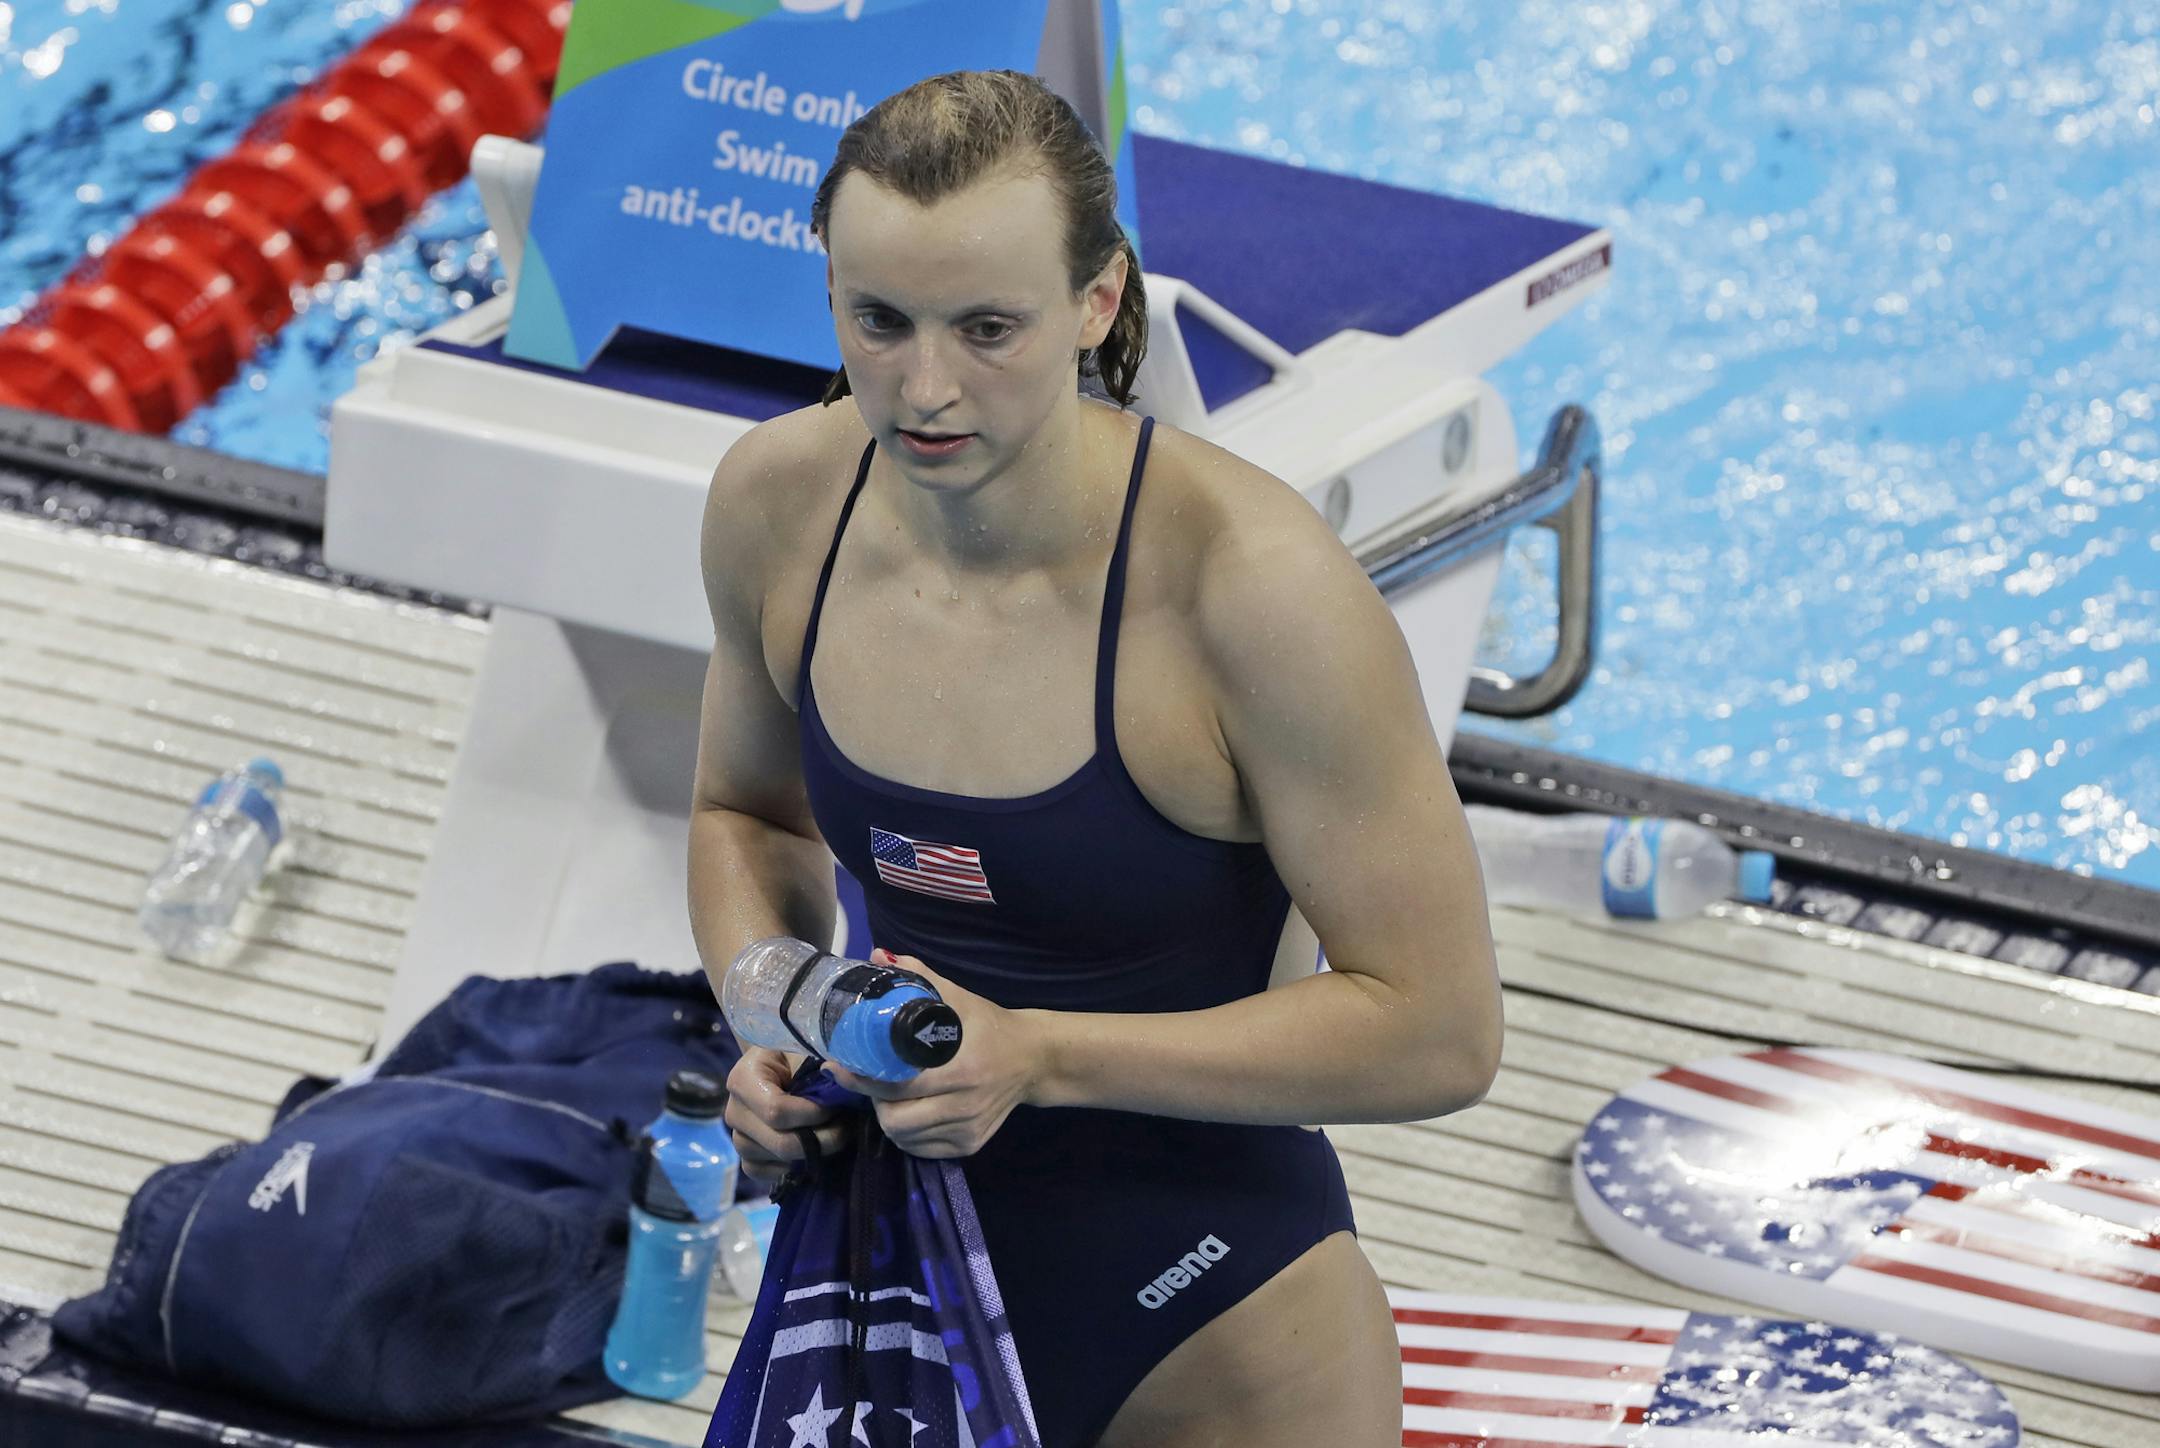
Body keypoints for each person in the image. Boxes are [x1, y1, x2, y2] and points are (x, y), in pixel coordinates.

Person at [689, 68, 1503, 1448]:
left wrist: (1040, 1058)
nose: (925, 387)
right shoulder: (779, 504)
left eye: (989, 329)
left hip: (1208, 1322)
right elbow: (743, 816)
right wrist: (781, 1013)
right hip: (887, 1272)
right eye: (878, 322)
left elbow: (1437, 1027)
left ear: (1098, 303)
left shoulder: (1253, 593)